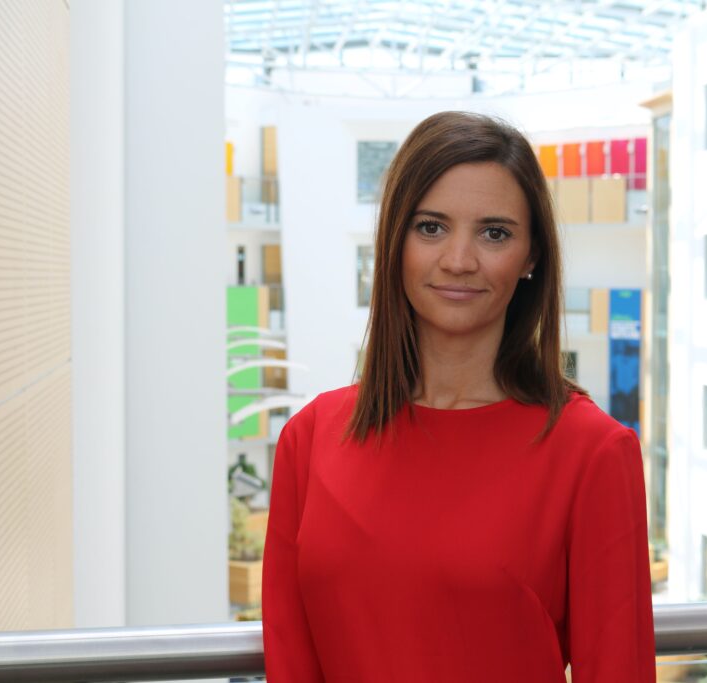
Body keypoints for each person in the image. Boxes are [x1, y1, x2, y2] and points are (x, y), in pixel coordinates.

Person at [262, 111, 655, 682]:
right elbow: (290, 660)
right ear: (394, 241)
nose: (459, 260)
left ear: (532, 257)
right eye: (430, 227)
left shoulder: (592, 451)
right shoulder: (311, 438)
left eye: (495, 233)